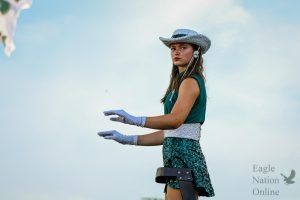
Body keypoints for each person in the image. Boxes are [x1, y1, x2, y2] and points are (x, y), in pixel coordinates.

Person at [98, 28, 215, 200]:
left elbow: (174, 121)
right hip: (175, 155)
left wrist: (136, 120)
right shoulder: (179, 83)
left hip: (183, 156)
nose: (176, 52)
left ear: (196, 51)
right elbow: (170, 133)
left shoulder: (190, 81)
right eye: (173, 48)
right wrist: (129, 139)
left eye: (183, 47)